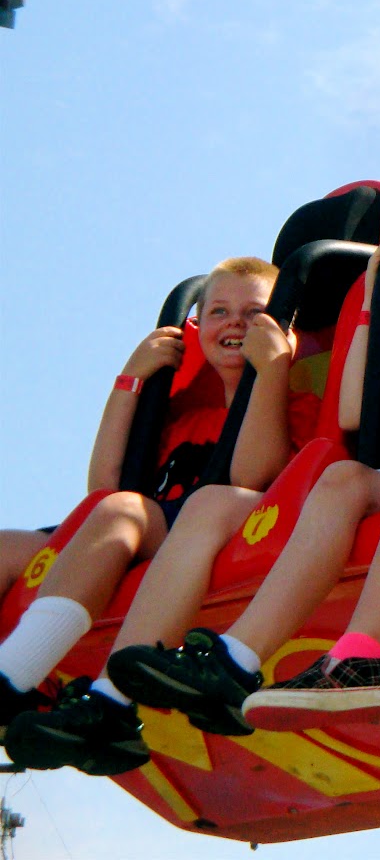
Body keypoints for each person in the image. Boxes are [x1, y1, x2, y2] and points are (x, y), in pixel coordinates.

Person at [102, 182, 380, 739]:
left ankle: (351, 646)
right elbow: (354, 411)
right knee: (343, 477)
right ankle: (238, 659)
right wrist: (372, 297)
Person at [0, 257, 319, 773]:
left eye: (253, 312)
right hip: (144, 528)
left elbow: (254, 474)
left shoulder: (291, 403)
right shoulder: (184, 419)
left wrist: (271, 369)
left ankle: (11, 680)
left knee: (124, 509)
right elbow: (101, 492)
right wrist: (130, 380)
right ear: (195, 328)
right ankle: (16, 679)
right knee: (8, 546)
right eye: (218, 311)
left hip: (224, 524)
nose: (235, 323)